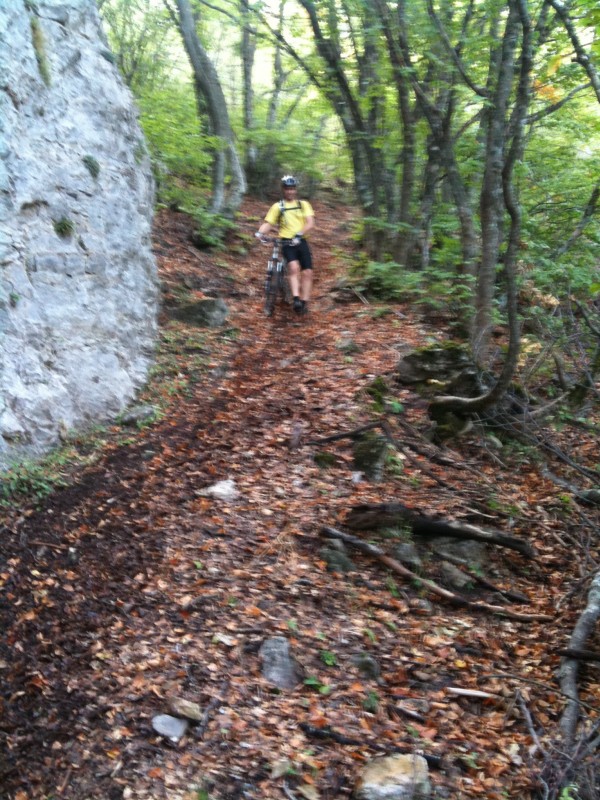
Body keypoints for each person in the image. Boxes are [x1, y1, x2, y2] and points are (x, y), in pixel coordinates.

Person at [255, 175, 315, 314]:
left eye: (292, 189)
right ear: (283, 190)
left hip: (301, 241)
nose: (290, 191)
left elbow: (310, 223)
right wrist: (259, 233)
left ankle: (304, 302)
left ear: (295, 190)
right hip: (287, 242)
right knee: (293, 267)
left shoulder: (303, 205)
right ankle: (296, 299)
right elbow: (268, 223)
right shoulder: (278, 206)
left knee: (308, 272)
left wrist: (299, 234)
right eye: (287, 189)